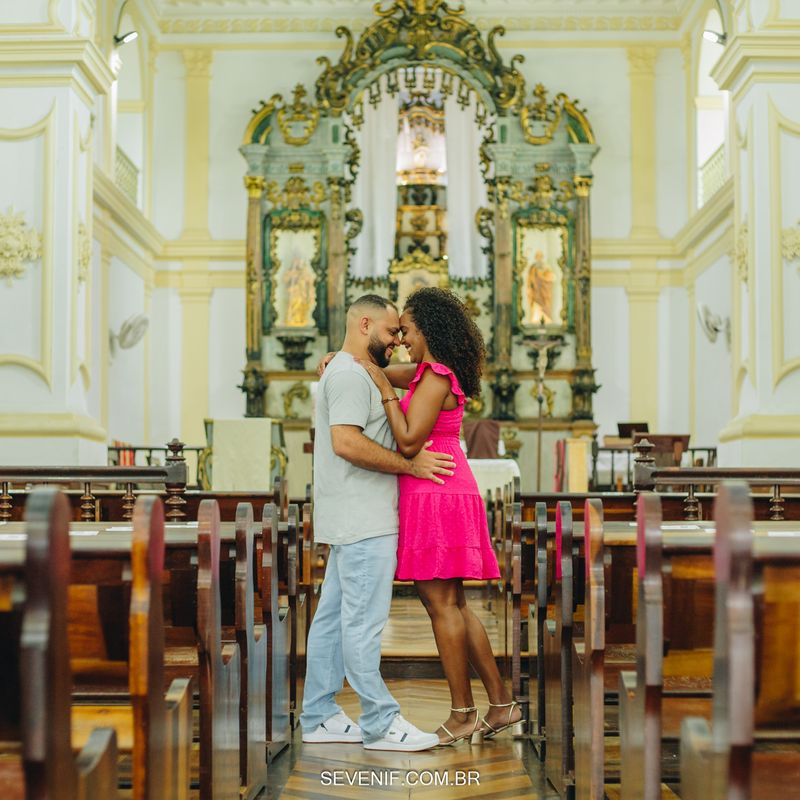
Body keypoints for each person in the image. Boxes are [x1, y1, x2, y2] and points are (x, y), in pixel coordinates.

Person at [356, 287, 523, 745]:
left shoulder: (434, 377)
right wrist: (348, 359)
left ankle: (463, 712)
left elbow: (409, 442)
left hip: (437, 490)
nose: (401, 340)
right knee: (454, 604)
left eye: (406, 330)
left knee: (441, 605)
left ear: (427, 329)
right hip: (439, 489)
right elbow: (381, 369)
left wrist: (386, 396)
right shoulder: (429, 370)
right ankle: (502, 705)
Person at [299, 294, 455, 752]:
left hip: (353, 515)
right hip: (364, 517)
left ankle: (319, 714)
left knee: (331, 620)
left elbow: (409, 378)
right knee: (362, 624)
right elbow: (347, 443)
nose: (397, 343)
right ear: (365, 324)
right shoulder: (349, 375)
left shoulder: (354, 370)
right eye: (391, 332)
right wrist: (411, 467)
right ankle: (380, 722)